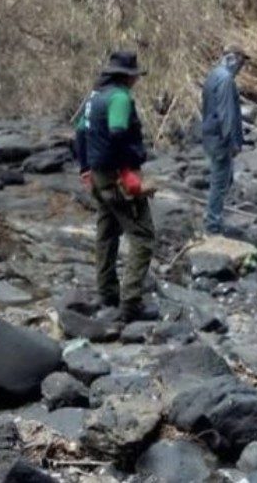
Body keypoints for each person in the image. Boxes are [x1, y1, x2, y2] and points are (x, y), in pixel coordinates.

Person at [73, 51, 159, 322]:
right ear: (127, 76)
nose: (136, 80)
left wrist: (85, 168)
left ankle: (106, 293)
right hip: (116, 175)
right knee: (143, 236)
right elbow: (118, 131)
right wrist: (130, 167)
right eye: (135, 76)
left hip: (98, 175)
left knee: (107, 233)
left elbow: (80, 132)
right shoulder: (120, 98)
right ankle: (131, 303)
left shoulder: (94, 97)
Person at [200, 45, 248, 235]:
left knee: (223, 179)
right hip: (220, 139)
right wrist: (233, 143)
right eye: (242, 62)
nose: (241, 67)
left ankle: (214, 218)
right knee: (220, 182)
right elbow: (226, 113)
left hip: (210, 135)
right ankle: (213, 224)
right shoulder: (226, 80)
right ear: (234, 59)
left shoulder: (213, 75)